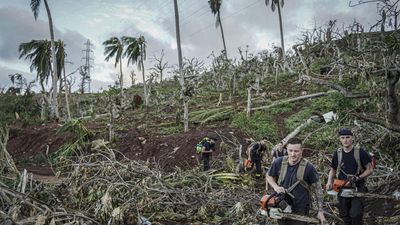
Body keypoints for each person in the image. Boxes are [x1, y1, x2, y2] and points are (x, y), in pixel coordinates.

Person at [266, 138, 326, 225]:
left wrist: (320, 211)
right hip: (282, 206)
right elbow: (269, 175)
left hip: (300, 208)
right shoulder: (279, 162)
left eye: (296, 151)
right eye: (290, 150)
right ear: (286, 149)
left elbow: (318, 190)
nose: (293, 154)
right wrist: (276, 187)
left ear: (301, 151)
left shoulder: (309, 168)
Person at [325, 128, 373, 225]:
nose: (345, 140)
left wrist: (358, 177)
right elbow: (333, 169)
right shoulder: (337, 153)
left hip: (358, 186)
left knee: (356, 214)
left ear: (352, 138)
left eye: (347, 137)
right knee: (344, 214)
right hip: (340, 185)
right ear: (340, 139)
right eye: (343, 138)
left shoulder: (360, 152)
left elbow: (370, 169)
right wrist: (329, 182)